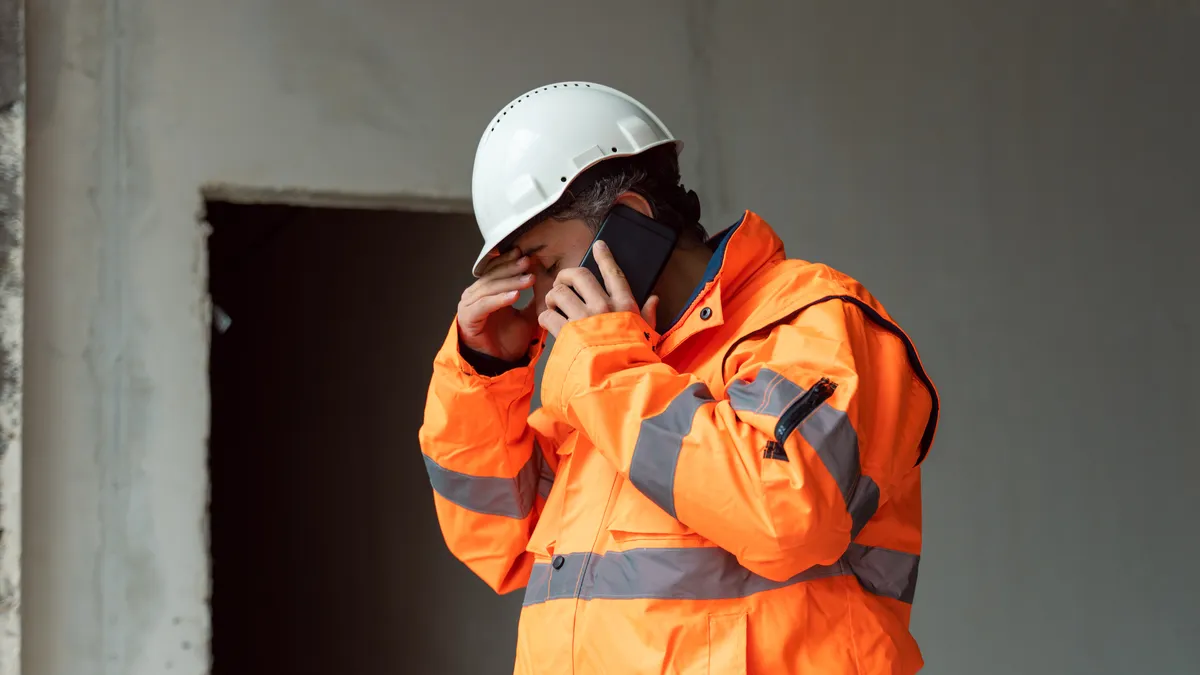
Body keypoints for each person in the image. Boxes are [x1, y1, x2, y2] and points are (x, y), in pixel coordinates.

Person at [418, 81, 940, 675]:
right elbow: (499, 545)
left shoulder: (808, 321)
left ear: (629, 224)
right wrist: (489, 371)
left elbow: (787, 519)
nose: (538, 302)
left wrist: (606, 367)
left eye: (547, 265)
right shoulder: (611, 368)